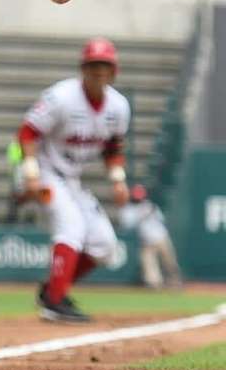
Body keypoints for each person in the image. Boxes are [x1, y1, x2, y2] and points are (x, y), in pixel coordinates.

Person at [15, 37, 131, 323]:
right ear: (83, 68)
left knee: (105, 245)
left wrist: (118, 180)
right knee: (71, 226)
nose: (99, 71)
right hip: (44, 171)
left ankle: (53, 289)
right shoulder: (61, 97)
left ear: (113, 71)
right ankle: (54, 303)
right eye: (93, 65)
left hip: (72, 178)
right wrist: (30, 174)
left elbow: (113, 147)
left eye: (104, 66)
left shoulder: (118, 107)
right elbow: (27, 132)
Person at [118, 184, 182, 289]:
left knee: (169, 261)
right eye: (136, 196)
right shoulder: (129, 209)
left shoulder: (149, 205)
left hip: (161, 237)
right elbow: (127, 224)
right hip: (146, 241)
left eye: (140, 196)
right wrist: (141, 216)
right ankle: (154, 284)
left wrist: (151, 212)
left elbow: (161, 218)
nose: (138, 199)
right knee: (149, 264)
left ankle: (175, 282)